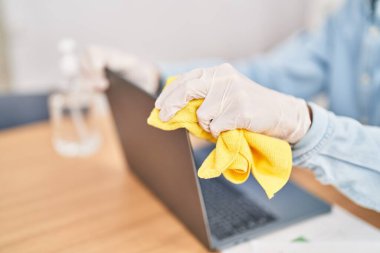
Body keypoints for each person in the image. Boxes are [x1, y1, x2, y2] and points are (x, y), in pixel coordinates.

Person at [81, 0, 380, 212]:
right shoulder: (353, 12)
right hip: (344, 203)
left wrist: (300, 123)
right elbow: (269, 76)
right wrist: (155, 77)